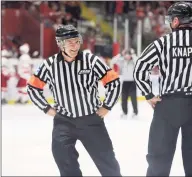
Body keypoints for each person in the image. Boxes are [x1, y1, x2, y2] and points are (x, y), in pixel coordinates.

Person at [27, 24, 122, 176]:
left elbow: (114, 82)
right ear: (60, 43)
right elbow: (32, 87)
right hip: (64, 122)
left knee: (107, 162)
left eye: (77, 41)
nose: (75, 45)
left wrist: (107, 106)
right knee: (63, 160)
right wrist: (47, 108)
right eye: (70, 41)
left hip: (91, 120)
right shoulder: (49, 65)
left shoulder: (90, 60)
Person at [133, 2, 192, 176]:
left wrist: (149, 94)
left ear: (175, 21)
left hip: (170, 105)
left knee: (159, 158)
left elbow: (140, 68)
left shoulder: (163, 43)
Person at [111, 48, 138, 119]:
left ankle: (135, 112)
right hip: (125, 83)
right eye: (126, 55)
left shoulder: (134, 61)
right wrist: (120, 54)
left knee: (133, 99)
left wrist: (133, 54)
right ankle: (124, 112)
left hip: (132, 82)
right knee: (124, 99)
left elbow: (138, 61)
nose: (127, 56)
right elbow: (113, 60)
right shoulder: (122, 61)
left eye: (129, 55)